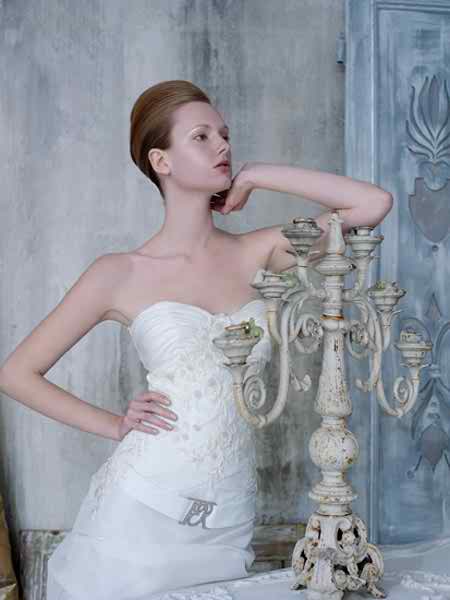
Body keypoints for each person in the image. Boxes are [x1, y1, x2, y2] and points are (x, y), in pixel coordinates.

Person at [0, 80, 393, 599]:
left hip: (228, 517)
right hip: (139, 511)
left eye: (224, 135)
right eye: (201, 137)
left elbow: (372, 203)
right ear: (160, 161)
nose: (222, 145)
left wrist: (256, 175)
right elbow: (16, 374)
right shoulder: (119, 273)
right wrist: (114, 425)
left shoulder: (259, 252)